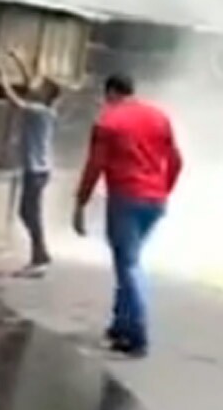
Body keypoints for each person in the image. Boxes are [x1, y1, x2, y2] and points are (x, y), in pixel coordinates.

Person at [73, 73, 183, 358]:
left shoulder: (108, 121)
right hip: (154, 201)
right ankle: (120, 325)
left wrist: (80, 202)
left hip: (125, 197)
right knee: (129, 261)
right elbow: (176, 161)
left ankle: (137, 334)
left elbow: (95, 166)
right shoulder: (159, 117)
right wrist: (163, 189)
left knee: (129, 264)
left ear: (111, 92)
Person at [0, 49, 62, 277]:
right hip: (38, 169)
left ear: (46, 95)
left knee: (29, 212)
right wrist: (17, 60)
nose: (36, 88)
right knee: (28, 212)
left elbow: (15, 101)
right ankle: (40, 254)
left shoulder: (39, 111)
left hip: (36, 170)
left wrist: (1, 75)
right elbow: (30, 83)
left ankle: (39, 257)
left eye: (41, 88)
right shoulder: (45, 109)